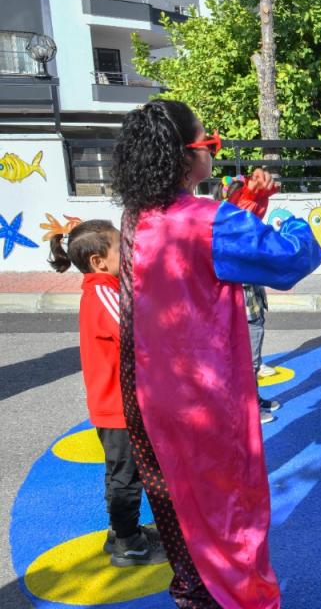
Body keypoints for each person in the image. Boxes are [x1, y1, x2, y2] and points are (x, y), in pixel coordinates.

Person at [110, 99, 321, 607]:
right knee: (233, 508)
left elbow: (212, 246)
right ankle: (244, 599)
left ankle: (194, 589)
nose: (214, 151)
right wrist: (292, 222)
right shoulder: (210, 219)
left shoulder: (138, 215)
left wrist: (248, 201)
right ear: (185, 157)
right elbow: (287, 260)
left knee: (180, 502)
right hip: (206, 394)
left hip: (149, 390)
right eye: (210, 143)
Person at [48, 219, 168, 568]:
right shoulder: (103, 293)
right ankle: (128, 544)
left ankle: (121, 531)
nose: (129, 252)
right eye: (121, 247)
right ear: (98, 261)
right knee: (126, 476)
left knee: (121, 471)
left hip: (117, 404)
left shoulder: (106, 288)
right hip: (118, 406)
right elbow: (136, 335)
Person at [217, 171, 285, 424]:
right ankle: (248, 408)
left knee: (252, 357)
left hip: (253, 305)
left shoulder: (238, 230)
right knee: (248, 360)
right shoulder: (232, 235)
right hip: (243, 308)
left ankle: (253, 397)